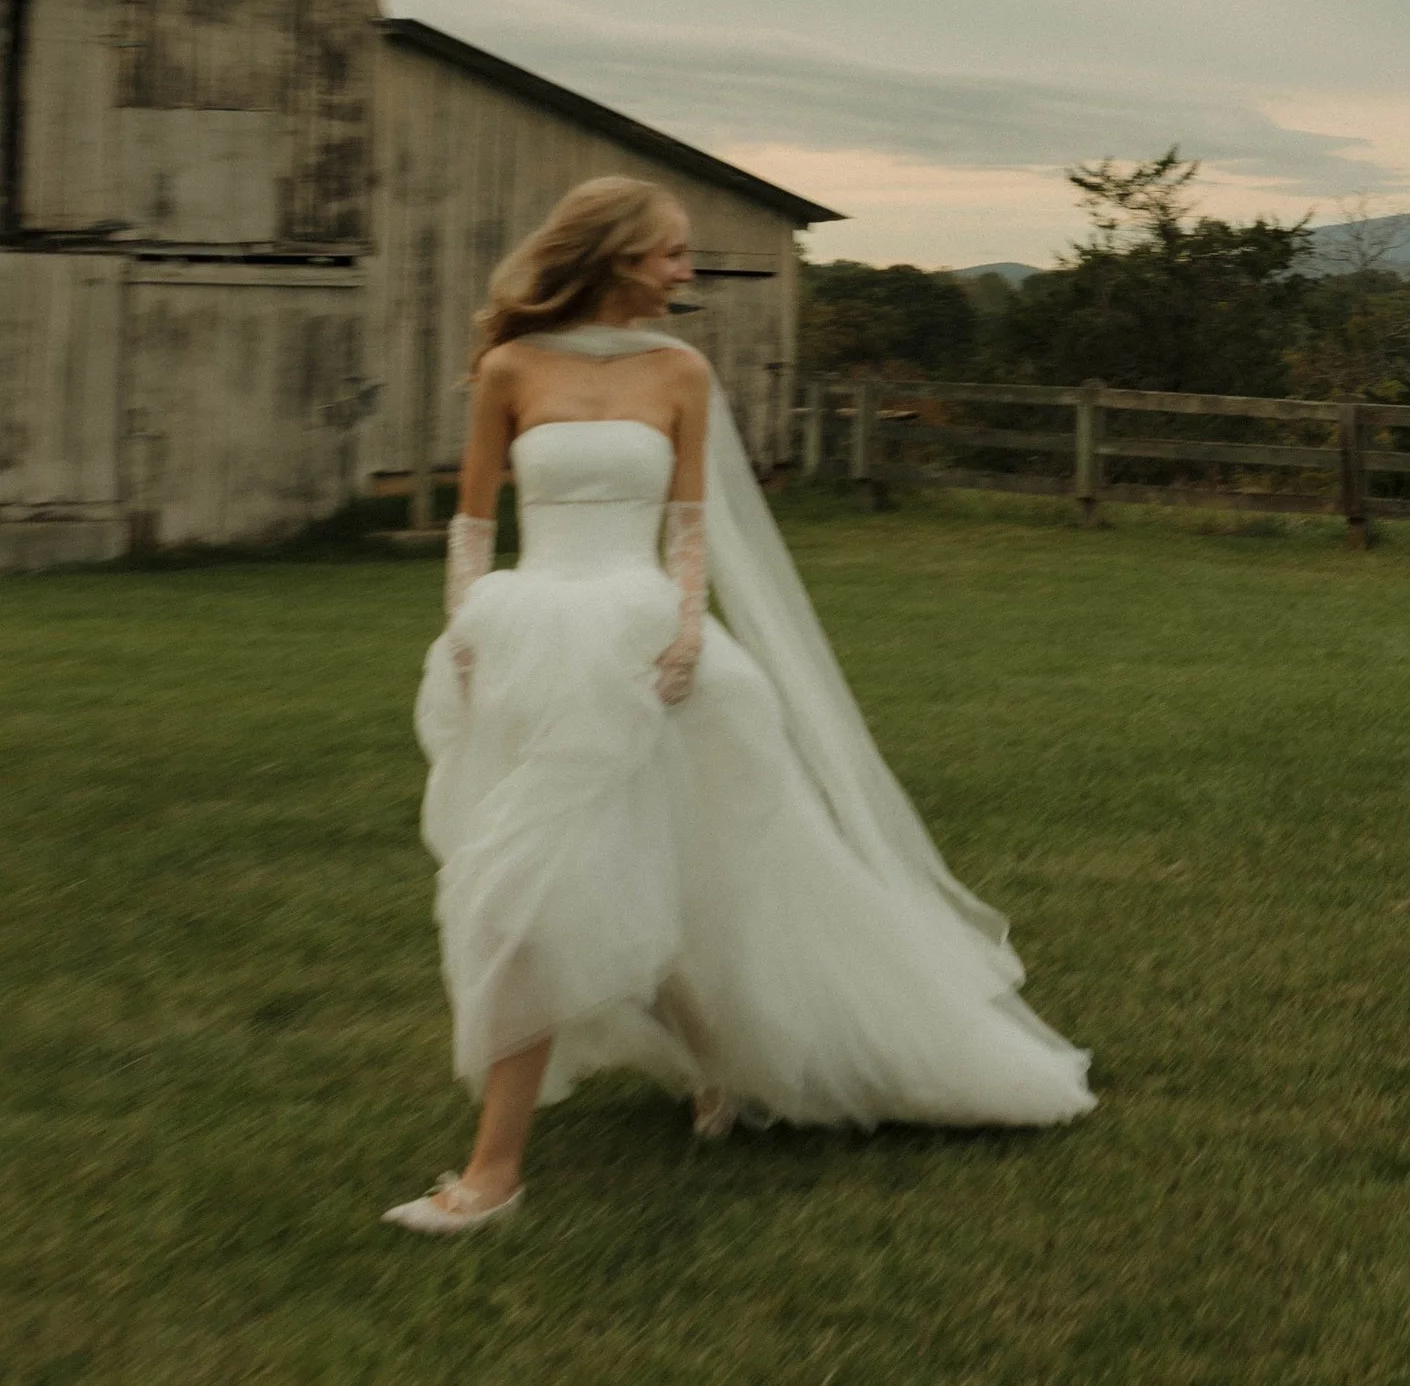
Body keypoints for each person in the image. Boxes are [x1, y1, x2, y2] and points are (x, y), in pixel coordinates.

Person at [386, 176, 1093, 1235]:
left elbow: (686, 528)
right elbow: (474, 524)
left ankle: (497, 1173)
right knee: (554, 883)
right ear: (617, 253)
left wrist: (682, 630)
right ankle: (700, 1073)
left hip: (650, 645)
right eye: (671, 252)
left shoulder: (681, 371)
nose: (686, 269)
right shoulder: (509, 367)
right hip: (530, 642)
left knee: (610, 886)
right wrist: (467, 634)